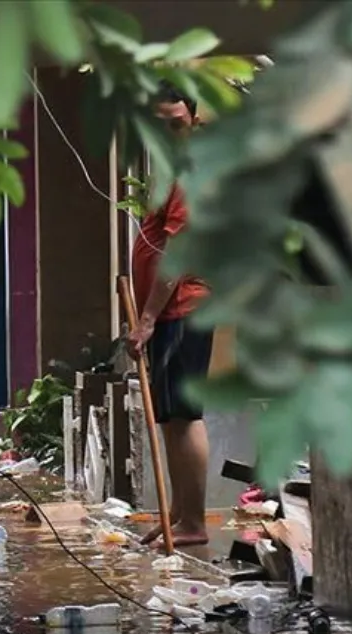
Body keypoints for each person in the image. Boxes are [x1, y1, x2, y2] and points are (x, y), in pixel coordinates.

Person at [128, 86, 212, 548]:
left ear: (193, 123)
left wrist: (146, 318)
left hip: (182, 306)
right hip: (171, 310)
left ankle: (194, 523)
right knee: (171, 417)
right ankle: (178, 513)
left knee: (182, 415)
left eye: (176, 124)